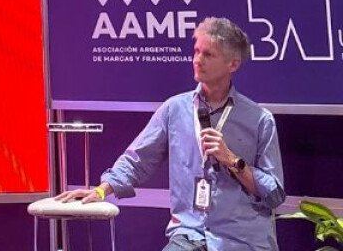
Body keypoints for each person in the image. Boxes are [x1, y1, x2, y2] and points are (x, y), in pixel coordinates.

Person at [57, 17, 285, 250]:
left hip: (242, 239)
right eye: (196, 51)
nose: (197, 60)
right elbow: (138, 159)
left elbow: (275, 194)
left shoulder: (259, 119)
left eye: (208, 54)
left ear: (233, 64)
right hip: (189, 234)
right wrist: (100, 190)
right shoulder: (174, 109)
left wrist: (233, 161)